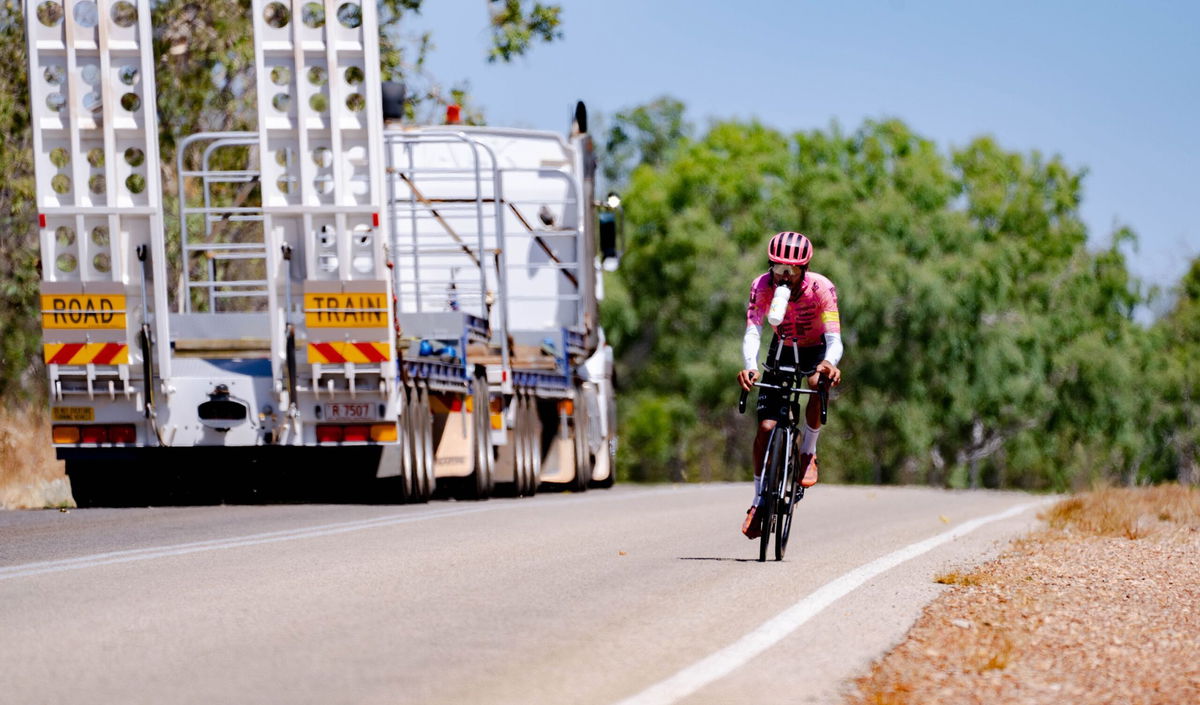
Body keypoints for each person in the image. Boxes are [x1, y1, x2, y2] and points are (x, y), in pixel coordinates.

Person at [738, 231, 843, 539]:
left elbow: (835, 339)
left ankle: (808, 453)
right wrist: (749, 366)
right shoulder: (761, 286)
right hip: (782, 345)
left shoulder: (821, 288)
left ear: (804, 270)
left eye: (792, 270)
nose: (784, 276)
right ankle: (758, 502)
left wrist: (830, 363)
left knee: (815, 382)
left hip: (816, 348)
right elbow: (753, 331)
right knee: (767, 428)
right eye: (778, 268)